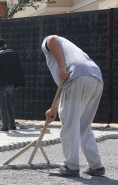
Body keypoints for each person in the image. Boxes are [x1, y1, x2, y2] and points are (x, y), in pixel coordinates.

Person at [42, 35, 105, 177]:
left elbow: (51, 39)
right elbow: (65, 88)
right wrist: (55, 108)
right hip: (95, 78)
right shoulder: (70, 49)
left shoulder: (50, 45)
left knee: (70, 123)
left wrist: (62, 67)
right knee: (83, 126)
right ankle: (96, 166)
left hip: (77, 76)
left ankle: (71, 166)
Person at [0, 38, 25, 132]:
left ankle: (4, 126)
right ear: (5, 45)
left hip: (1, 84)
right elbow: (18, 68)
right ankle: (12, 125)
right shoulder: (13, 53)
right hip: (11, 84)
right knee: (8, 105)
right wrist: (17, 83)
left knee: (2, 105)